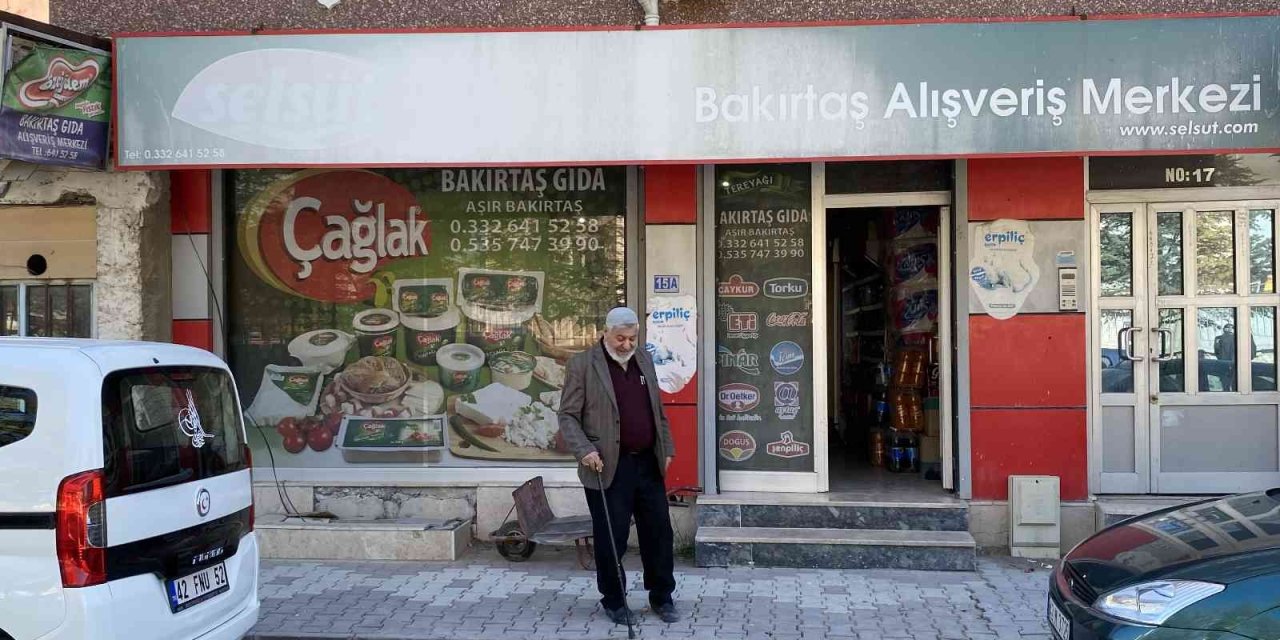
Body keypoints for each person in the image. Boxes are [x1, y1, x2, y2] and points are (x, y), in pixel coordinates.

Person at [558, 306, 679, 625]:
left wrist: (666, 446)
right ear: (606, 333)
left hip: (648, 463)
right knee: (613, 535)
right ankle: (614, 600)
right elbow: (567, 415)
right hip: (606, 465)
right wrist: (584, 449)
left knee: (659, 532)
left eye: (632, 338)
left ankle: (662, 596)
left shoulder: (645, 360)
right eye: (620, 338)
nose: (626, 344)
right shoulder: (582, 364)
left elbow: (658, 410)